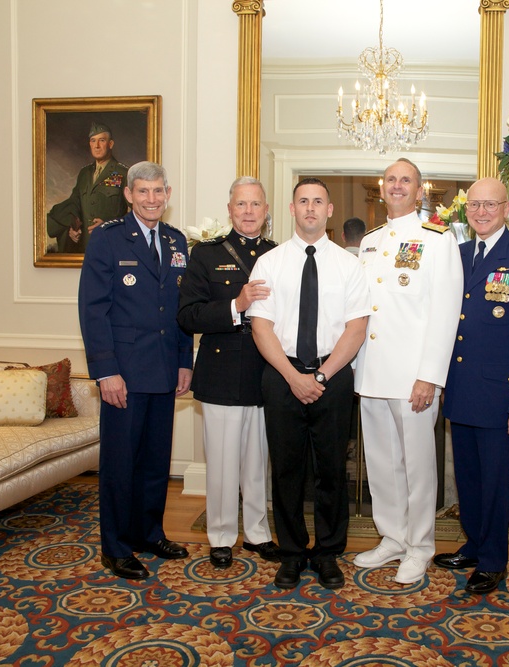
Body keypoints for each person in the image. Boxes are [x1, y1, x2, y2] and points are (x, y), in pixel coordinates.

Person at [433, 176, 509, 594]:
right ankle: (473, 544)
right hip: (461, 390)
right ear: (465, 210)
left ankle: (493, 561)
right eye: (474, 205)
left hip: (501, 398)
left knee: (496, 483)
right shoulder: (457, 255)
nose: (481, 212)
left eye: (490, 204)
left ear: (506, 209)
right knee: (467, 479)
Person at [248, 177, 370, 590]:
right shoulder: (270, 263)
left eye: (318, 201)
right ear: (292, 209)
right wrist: (293, 377)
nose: (311, 208)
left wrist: (319, 376)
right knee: (286, 470)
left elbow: (356, 328)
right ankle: (292, 553)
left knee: (332, 469)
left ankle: (328, 553)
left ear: (329, 210)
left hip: (332, 376)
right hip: (281, 375)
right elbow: (261, 327)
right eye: (303, 201)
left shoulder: (350, 266)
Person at [78, 161, 193, 580]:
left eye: (158, 191)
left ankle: (149, 533)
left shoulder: (176, 241)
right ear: (128, 195)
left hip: (164, 369)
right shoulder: (107, 239)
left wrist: (184, 361)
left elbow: (181, 309)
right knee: (120, 464)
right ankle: (116, 547)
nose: (151, 199)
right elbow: (93, 310)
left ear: (168, 194)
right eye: (143, 191)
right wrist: (105, 371)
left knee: (155, 462)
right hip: (123, 374)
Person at [353, 158, 463, 585]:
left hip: (412, 377)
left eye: (406, 180)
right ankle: (393, 538)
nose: (397, 186)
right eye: (391, 180)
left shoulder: (438, 239)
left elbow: (445, 313)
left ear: (420, 191)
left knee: (417, 468)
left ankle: (419, 547)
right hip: (371, 373)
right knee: (381, 464)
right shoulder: (370, 241)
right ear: (382, 188)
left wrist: (429, 376)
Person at [177, 176, 279, 570]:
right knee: (221, 463)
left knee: (257, 462)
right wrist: (236, 304)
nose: (248, 211)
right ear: (230, 210)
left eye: (255, 204)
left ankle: (257, 533)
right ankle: (220, 535)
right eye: (241, 204)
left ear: (266, 210)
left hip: (267, 372)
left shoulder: (278, 253)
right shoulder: (206, 255)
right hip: (222, 372)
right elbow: (188, 315)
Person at [48, 122, 130, 254]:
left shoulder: (124, 173)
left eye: (101, 140)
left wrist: (109, 225)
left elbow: (137, 213)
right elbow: (74, 204)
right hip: (85, 248)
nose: (97, 146)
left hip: (111, 247)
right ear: (90, 144)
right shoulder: (84, 173)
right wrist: (72, 228)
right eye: (93, 140)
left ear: (110, 144)